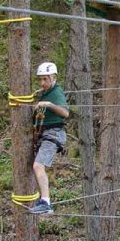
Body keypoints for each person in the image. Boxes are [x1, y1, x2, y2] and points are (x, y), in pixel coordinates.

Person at [29, 62, 69, 214]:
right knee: (35, 166)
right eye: (40, 79)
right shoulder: (45, 92)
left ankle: (46, 203)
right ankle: (43, 201)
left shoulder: (56, 92)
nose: (42, 83)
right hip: (43, 134)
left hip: (53, 133)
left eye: (45, 79)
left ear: (53, 77)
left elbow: (65, 113)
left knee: (38, 166)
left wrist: (49, 104)